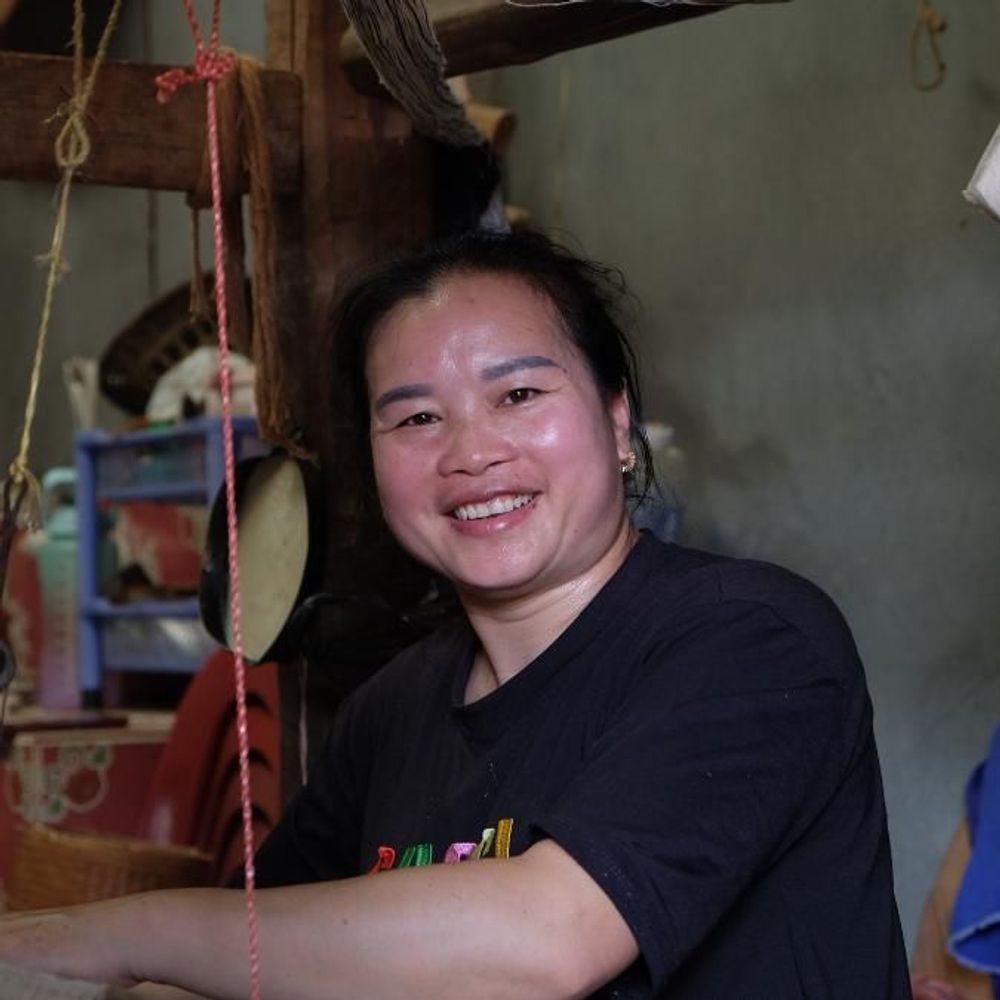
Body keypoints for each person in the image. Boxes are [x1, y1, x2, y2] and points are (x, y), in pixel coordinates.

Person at [0, 230, 912, 999]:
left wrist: (108, 935)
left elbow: (552, 940)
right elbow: (259, 941)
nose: (471, 453)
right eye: (416, 419)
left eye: (517, 394)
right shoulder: (392, 711)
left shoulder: (753, 640)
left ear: (619, 420)